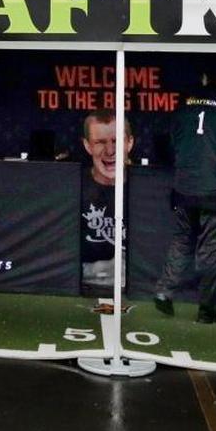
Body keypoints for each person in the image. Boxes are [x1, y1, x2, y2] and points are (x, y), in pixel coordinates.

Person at [154, 65, 216, 324]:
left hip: (184, 186)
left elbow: (168, 143)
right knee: (211, 251)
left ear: (204, 77)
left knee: (182, 239)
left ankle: (164, 290)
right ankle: (208, 312)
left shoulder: (182, 107)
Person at [80, 109, 134, 294]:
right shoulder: (72, 187)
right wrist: (92, 270)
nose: (110, 151)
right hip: (85, 287)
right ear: (87, 146)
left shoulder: (148, 190)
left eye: (116, 141)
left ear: (130, 143)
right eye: (100, 142)